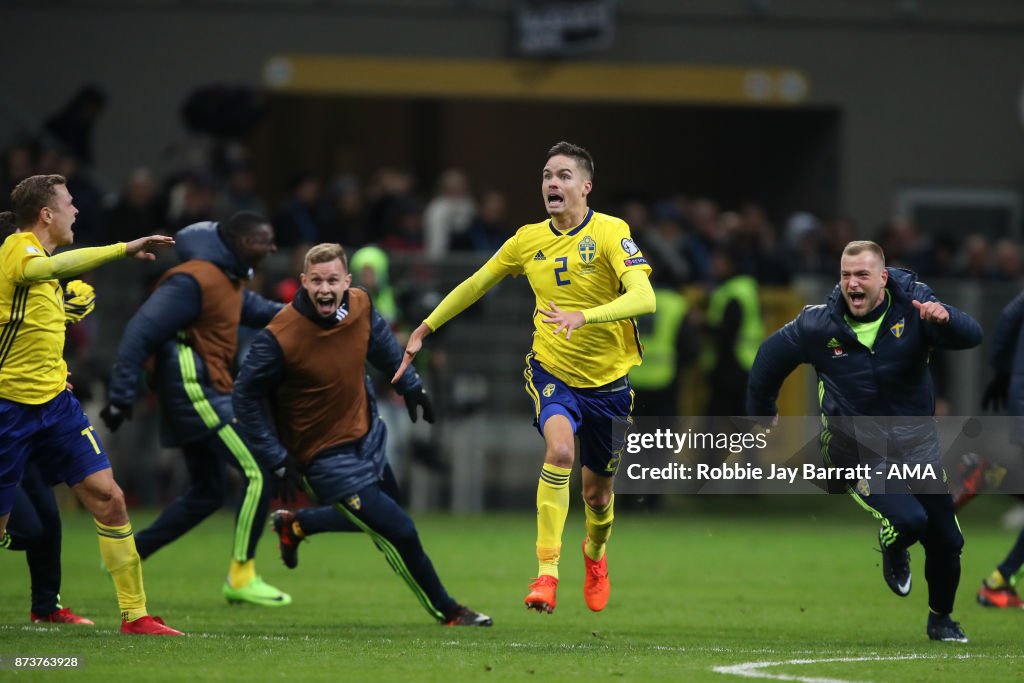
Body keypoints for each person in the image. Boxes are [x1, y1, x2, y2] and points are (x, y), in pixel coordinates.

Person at [394, 141, 656, 614]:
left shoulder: (612, 232)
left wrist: (586, 316)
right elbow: (476, 282)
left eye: (563, 175)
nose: (552, 183)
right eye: (546, 176)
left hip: (609, 383)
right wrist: (426, 327)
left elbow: (645, 298)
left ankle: (595, 557)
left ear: (586, 186)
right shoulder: (526, 239)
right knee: (559, 450)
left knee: (597, 495)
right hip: (552, 369)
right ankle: (547, 574)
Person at [233, 242, 491, 627]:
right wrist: (274, 456)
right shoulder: (280, 336)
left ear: (346, 281)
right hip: (323, 458)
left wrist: (412, 386)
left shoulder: (360, 304)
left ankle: (297, 525)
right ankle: (448, 610)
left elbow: (383, 346)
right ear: (303, 282)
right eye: (316, 281)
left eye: (332, 280)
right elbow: (244, 396)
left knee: (387, 513)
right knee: (399, 530)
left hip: (368, 436)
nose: (324, 289)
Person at [746, 240, 981, 642]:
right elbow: (768, 360)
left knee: (947, 541)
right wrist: (761, 413)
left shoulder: (915, 307)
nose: (852, 284)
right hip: (855, 452)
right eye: (845, 275)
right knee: (909, 520)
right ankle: (894, 539)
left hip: (917, 450)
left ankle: (941, 619)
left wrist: (947, 318)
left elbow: (971, 335)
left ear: (883, 280)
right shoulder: (816, 324)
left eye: (862, 275)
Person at [0, 173, 182, 635]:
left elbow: (38, 308)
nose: (76, 210)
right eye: (69, 203)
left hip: (56, 404)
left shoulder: (44, 266)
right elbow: (40, 272)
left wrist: (66, 304)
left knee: (110, 498)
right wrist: (121, 248)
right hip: (8, 409)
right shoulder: (18, 249)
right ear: (46, 214)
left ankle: (135, 614)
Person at [101, 212, 289, 607]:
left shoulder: (228, 281)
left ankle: (127, 556)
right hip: (194, 387)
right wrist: (120, 395)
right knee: (261, 469)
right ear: (235, 242)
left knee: (208, 492)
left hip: (199, 389)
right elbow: (141, 330)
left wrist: (323, 310)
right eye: (260, 240)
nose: (269, 248)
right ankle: (242, 575)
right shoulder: (194, 280)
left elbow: (267, 311)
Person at [3, 279, 98, 625]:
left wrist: (50, 379)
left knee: (49, 521)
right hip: (6, 425)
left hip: (21, 427)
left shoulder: (29, 300)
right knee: (27, 531)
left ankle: (45, 608)